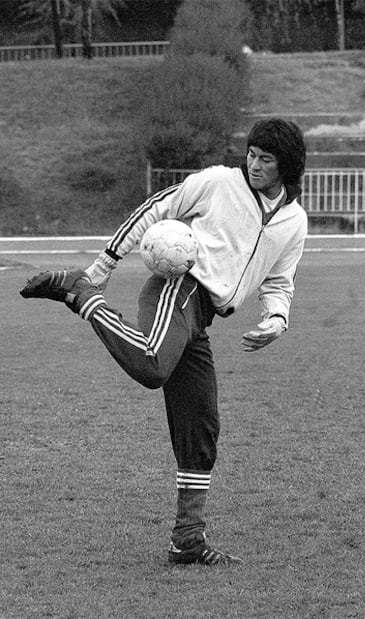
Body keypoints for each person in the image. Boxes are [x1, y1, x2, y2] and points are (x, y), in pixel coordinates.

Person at [20, 118, 308, 566]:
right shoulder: (217, 182)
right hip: (178, 288)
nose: (253, 164)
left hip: (203, 315)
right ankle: (80, 292)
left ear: (286, 167)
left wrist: (277, 317)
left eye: (265, 159)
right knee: (151, 363)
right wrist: (103, 265)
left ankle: (188, 540)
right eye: (251, 154)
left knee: (201, 425)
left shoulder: (294, 221)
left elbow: (279, 280)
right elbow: (154, 209)